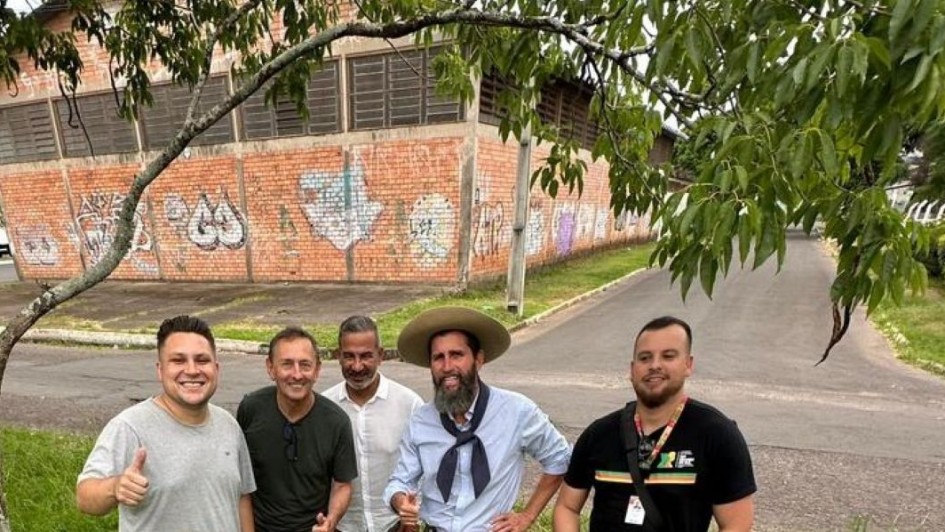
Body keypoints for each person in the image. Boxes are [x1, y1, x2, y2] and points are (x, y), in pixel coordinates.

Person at [553, 316, 756, 532]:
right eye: (645, 358)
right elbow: (567, 506)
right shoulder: (599, 434)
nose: (655, 365)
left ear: (688, 364)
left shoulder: (717, 435)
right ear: (632, 370)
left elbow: (736, 523)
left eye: (668, 356)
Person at [384, 307, 571, 532]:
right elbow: (400, 481)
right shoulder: (421, 421)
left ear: (478, 359)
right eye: (438, 358)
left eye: (456, 355)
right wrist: (401, 502)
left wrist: (527, 516)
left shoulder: (516, 411)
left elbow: (559, 458)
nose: (447, 367)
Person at [76, 315, 256, 531]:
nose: (191, 370)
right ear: (160, 370)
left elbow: (242, 497)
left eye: (202, 360)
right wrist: (115, 487)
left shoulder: (228, 425)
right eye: (178, 360)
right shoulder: (130, 427)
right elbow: (85, 497)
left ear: (216, 368)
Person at [237, 326, 358, 532]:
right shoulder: (251, 410)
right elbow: (241, 483)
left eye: (305, 365)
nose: (297, 374)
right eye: (286, 364)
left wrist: (330, 521)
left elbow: (342, 485)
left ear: (317, 370)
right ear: (270, 368)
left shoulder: (336, 422)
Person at [324, 315, 424, 532]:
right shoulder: (324, 407)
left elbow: (424, 468)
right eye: (349, 356)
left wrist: (412, 518)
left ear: (381, 355)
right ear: (337, 356)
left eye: (366, 356)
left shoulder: (409, 404)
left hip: (394, 525)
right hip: (341, 526)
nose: (357, 366)